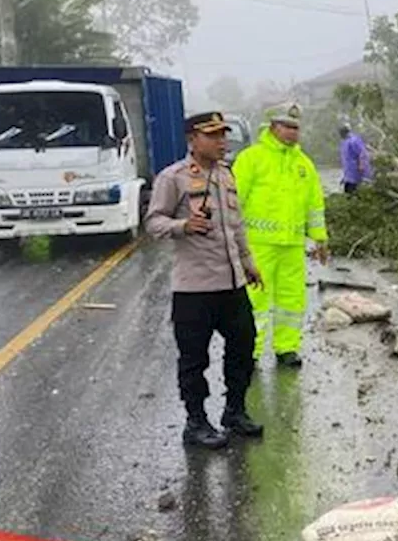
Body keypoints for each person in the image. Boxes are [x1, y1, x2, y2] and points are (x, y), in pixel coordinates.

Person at [145, 111, 265, 449]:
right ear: (193, 140)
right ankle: (195, 422)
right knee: (194, 358)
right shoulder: (174, 178)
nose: (221, 141)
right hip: (194, 289)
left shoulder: (227, 175)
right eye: (213, 135)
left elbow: (236, 226)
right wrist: (182, 226)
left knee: (244, 346)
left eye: (223, 135)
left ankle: (235, 411)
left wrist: (248, 262)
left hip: (232, 284)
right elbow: (153, 223)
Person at [232, 104, 329, 369]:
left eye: (296, 128)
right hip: (258, 245)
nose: (293, 132)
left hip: (292, 246)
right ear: (273, 127)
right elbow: (235, 201)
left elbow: (314, 204)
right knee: (256, 302)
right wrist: (231, 239)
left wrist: (320, 239)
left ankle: (287, 348)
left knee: (292, 299)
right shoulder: (252, 158)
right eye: (288, 126)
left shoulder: (303, 164)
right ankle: (249, 352)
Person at [338, 124, 372, 194]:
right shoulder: (344, 142)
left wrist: (361, 165)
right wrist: (344, 177)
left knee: (354, 192)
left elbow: (362, 152)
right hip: (348, 175)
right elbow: (346, 159)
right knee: (347, 192)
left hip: (356, 173)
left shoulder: (354, 140)